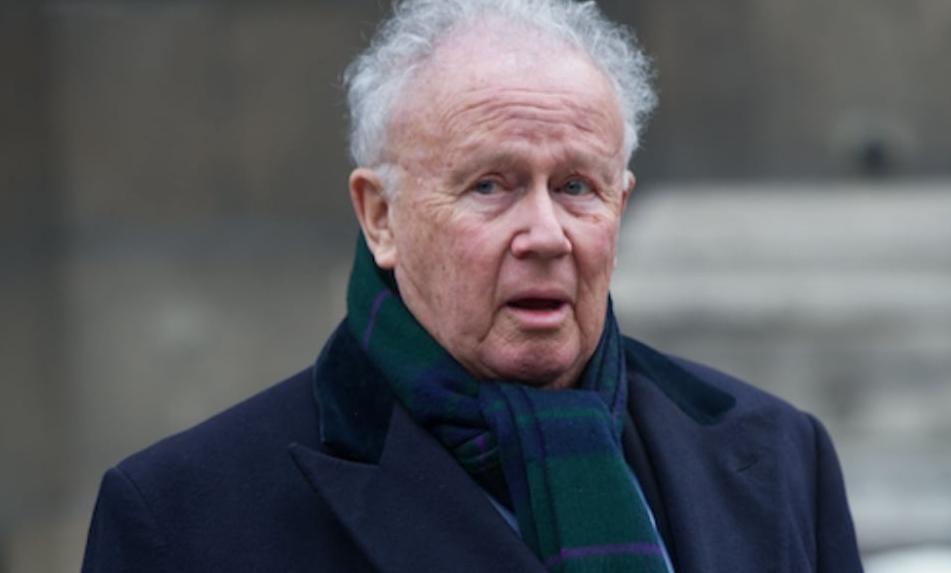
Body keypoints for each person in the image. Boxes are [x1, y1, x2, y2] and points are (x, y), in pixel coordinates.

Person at [83, 1, 863, 571]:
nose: (546, 234)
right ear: (380, 216)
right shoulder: (185, 515)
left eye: (577, 187)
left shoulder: (780, 457)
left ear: (620, 205)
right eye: (491, 185)